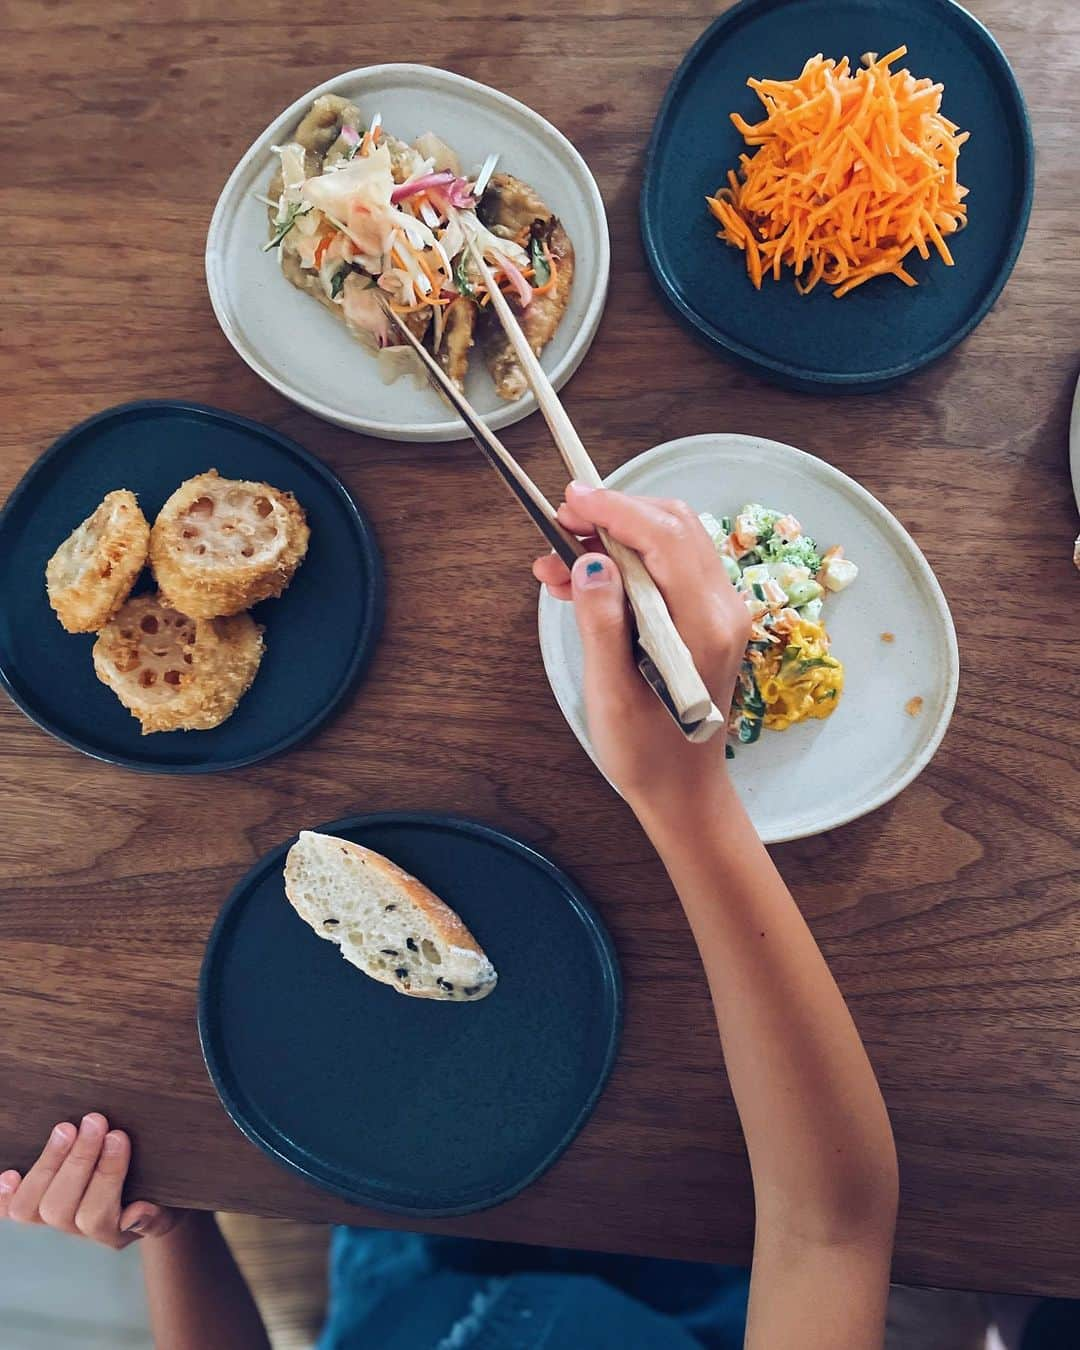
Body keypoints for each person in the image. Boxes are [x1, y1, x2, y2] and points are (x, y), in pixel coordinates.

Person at [0, 484, 900, 1349]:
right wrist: (691, 807)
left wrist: (174, 1227)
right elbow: (827, 1236)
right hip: (699, 1270)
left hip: (397, 1257)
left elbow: (831, 1240)